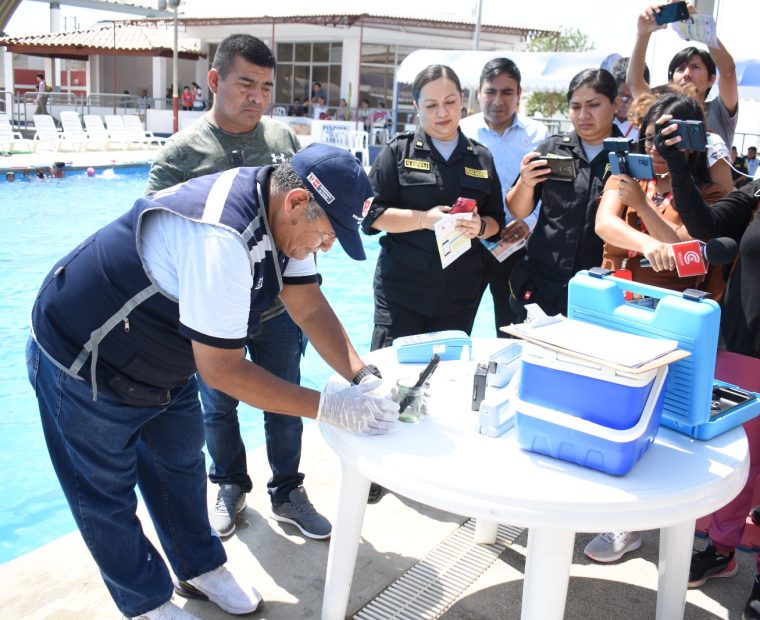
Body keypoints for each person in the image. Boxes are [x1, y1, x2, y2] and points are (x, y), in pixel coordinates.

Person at [27, 142, 398, 620]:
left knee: (179, 466)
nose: (326, 247)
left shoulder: (286, 216)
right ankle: (146, 603)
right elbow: (223, 371)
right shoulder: (222, 237)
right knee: (104, 495)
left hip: (163, 357)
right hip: (85, 356)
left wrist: (361, 377)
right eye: (328, 235)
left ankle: (198, 565)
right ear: (298, 204)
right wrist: (329, 407)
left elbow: (307, 305)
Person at [146, 34, 331, 542]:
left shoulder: (281, 143)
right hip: (210, 315)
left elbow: (305, 215)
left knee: (285, 400)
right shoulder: (181, 154)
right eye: (246, 83)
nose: (257, 97)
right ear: (214, 81)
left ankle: (289, 490)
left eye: (265, 87)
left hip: (274, 309)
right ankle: (229, 484)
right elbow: (153, 231)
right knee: (218, 404)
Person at [584, 92, 731, 564]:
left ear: (691, 143)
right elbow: (605, 224)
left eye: (667, 140)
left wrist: (644, 214)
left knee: (663, 421)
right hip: (617, 305)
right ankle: (617, 515)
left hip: (671, 316)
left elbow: (690, 257)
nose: (654, 149)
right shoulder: (625, 169)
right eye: (649, 136)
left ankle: (648, 517)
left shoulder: (708, 192)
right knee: (608, 407)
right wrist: (649, 241)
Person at [362, 63, 504, 504]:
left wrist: (479, 226)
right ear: (416, 107)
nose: (442, 113)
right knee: (389, 374)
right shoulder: (398, 152)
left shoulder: (480, 157)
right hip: (403, 286)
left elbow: (498, 221)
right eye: (430, 105)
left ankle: (424, 458)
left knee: (441, 375)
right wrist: (426, 219)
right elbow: (369, 216)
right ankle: (376, 465)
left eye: (449, 102)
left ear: (462, 100)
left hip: (459, 288)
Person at [651, 115, 760, 620]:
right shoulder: (758, 189)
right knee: (741, 458)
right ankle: (722, 548)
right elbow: (707, 227)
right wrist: (676, 159)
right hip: (745, 344)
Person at [506, 68, 619, 319]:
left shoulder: (629, 156)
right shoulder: (551, 149)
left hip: (598, 290)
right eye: (575, 106)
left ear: (615, 104)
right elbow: (518, 210)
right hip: (541, 285)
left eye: (593, 105)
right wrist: (525, 183)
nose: (583, 115)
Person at [459, 57, 549, 336]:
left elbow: (548, 188)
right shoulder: (461, 131)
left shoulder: (538, 134)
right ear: (478, 93)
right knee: (456, 326)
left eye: (507, 92)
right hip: (468, 243)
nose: (498, 99)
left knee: (512, 329)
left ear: (519, 95)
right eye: (491, 91)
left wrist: (530, 222)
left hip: (518, 245)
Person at [627, 2, 739, 148]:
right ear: (670, 80)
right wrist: (643, 34)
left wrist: (702, 29)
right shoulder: (660, 108)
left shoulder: (718, 111)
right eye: (680, 69)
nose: (686, 74)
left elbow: (728, 73)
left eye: (695, 67)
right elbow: (634, 83)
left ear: (711, 79)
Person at [611, 57, 649, 142]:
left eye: (632, 98)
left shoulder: (645, 127)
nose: (627, 104)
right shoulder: (603, 122)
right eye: (622, 96)